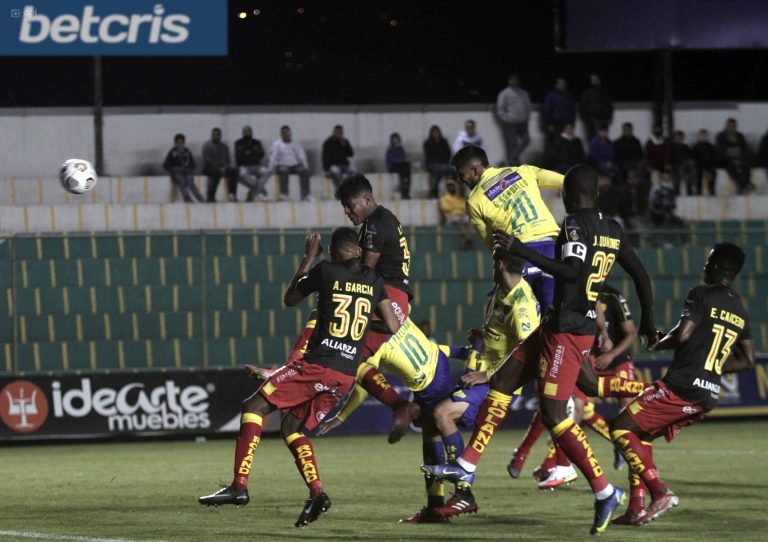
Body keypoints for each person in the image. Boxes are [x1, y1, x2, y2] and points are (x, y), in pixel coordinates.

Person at [423, 164, 658, 535]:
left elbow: (570, 272)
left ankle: (604, 490)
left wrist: (521, 250)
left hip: (568, 330)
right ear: (596, 194)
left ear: (565, 196)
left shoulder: (572, 227)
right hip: (557, 324)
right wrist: (648, 320)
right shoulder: (613, 229)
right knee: (503, 379)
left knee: (554, 414)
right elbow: (641, 274)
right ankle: (466, 466)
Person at [198, 227, 401, 528]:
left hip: (319, 365)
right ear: (358, 251)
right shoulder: (374, 281)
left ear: (332, 251)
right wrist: (355, 337)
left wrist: (307, 259)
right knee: (292, 428)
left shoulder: (327, 270)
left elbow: (290, 298)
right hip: (345, 374)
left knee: (253, 407)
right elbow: (393, 326)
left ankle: (239, 487)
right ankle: (317, 493)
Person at [610, 243, 754, 526]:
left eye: (708, 260)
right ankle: (635, 508)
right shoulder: (740, 308)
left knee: (621, 426)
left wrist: (658, 343)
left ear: (715, 267)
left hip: (683, 385)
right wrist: (711, 366)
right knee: (643, 435)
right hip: (708, 393)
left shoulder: (701, 294)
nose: (704, 266)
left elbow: (684, 334)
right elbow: (748, 359)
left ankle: (659, 492)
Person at [317, 317, 470, 523]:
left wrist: (342, 416)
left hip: (427, 382)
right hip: (437, 363)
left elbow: (365, 383)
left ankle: (457, 495)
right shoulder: (395, 316)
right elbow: (431, 346)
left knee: (433, 434)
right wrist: (459, 351)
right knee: (430, 433)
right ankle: (437, 506)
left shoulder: (371, 342)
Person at [430, 250, 540, 517]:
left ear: (500, 264)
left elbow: (528, 354)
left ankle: (463, 491)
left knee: (441, 414)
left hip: (499, 381)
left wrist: (487, 375)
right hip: (487, 374)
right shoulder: (503, 290)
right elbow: (503, 336)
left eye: (493, 262)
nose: (491, 267)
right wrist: (484, 336)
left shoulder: (521, 306)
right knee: (435, 420)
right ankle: (455, 493)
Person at [507, 283, 640, 487]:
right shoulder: (571, 288)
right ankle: (558, 465)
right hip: (585, 357)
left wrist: (608, 344)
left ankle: (639, 463)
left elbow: (629, 331)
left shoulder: (611, 296)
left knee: (627, 416)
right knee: (569, 408)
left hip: (616, 360)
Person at [335, 173, 420, 441]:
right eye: (345, 208)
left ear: (367, 198)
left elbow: (364, 270)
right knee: (354, 355)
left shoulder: (374, 225)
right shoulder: (385, 219)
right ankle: (405, 406)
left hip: (388, 297)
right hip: (394, 297)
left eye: (351, 205)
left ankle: (401, 406)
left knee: (348, 353)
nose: (348, 212)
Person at [451, 144, 563, 308]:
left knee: (518, 319)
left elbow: (492, 244)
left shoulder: (475, 201)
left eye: (462, 175)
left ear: (474, 171)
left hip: (517, 257)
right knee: (553, 311)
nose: (461, 180)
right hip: (551, 250)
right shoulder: (523, 171)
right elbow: (566, 181)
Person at [268, 125, 312, 201]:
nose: (286, 135)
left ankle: (305, 195)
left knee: (304, 171)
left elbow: (301, 155)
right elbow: (273, 157)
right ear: (281, 134)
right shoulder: (277, 144)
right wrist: (270, 169)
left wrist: (306, 166)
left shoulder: (295, 143)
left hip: (294, 165)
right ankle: (284, 194)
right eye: (284, 133)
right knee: (284, 171)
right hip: (282, 165)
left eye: (288, 133)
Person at [495, 74, 532, 166]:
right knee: (512, 144)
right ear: (509, 81)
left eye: (516, 80)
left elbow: (528, 106)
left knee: (526, 140)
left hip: (523, 121)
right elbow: (500, 108)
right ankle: (514, 164)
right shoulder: (504, 93)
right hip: (511, 123)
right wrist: (506, 119)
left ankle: (512, 158)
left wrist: (526, 116)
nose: (514, 82)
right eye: (512, 80)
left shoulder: (523, 93)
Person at [162, 133, 204, 203]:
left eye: (181, 143)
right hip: (176, 172)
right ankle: (187, 199)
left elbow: (192, 163)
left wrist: (190, 169)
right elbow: (166, 165)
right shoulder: (172, 152)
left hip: (187, 172)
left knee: (191, 182)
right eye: (178, 143)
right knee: (182, 182)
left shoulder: (187, 152)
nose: (180, 144)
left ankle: (200, 198)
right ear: (175, 143)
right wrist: (172, 168)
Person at [716, 118, 753, 194]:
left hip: (740, 159)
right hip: (726, 160)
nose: (732, 127)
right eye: (730, 126)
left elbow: (744, 149)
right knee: (731, 167)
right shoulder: (721, 136)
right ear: (727, 126)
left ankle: (743, 185)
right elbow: (721, 150)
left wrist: (739, 158)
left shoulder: (740, 136)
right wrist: (731, 157)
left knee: (746, 166)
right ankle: (744, 185)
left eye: (733, 126)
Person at [541, 77, 577, 156]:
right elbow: (547, 110)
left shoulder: (569, 96)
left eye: (563, 83)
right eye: (560, 83)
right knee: (552, 144)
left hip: (566, 125)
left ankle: (562, 163)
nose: (562, 85)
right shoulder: (551, 95)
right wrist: (549, 124)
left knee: (565, 144)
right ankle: (550, 164)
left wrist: (571, 123)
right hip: (555, 125)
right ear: (556, 85)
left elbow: (572, 111)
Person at [202, 127, 238, 202]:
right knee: (216, 173)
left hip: (222, 167)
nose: (216, 136)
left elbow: (227, 160)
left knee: (234, 171)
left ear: (220, 135)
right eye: (214, 134)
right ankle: (211, 196)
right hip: (210, 167)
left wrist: (225, 168)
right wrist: (219, 169)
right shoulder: (207, 146)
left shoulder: (224, 147)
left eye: (217, 134)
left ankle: (232, 194)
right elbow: (208, 161)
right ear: (211, 135)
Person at [235, 125, 270, 202]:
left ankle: (253, 193)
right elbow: (239, 156)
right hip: (244, 166)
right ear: (242, 133)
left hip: (256, 165)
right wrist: (252, 153)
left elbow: (261, 154)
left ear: (252, 132)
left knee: (266, 172)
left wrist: (249, 153)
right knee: (242, 174)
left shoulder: (256, 142)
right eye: (245, 131)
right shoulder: (238, 143)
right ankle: (259, 189)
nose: (247, 133)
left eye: (249, 131)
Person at [438, 180, 474, 250]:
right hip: (451, 216)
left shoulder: (460, 198)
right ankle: (468, 239)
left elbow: (464, 208)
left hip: (462, 215)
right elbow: (447, 208)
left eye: (452, 186)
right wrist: (458, 212)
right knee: (461, 221)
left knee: (470, 221)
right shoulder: (444, 198)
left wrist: (460, 212)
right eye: (449, 187)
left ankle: (468, 238)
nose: (451, 188)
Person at [580, 74, 614, 141]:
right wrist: (586, 119)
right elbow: (582, 107)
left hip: (602, 120)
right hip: (591, 121)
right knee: (592, 140)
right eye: (593, 80)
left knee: (602, 139)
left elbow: (609, 106)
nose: (594, 81)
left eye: (596, 79)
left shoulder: (605, 92)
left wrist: (609, 117)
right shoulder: (587, 92)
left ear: (599, 81)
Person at [424, 125, 454, 198]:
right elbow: (428, 156)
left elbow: (448, 153)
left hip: (444, 164)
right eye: (434, 133)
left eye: (437, 132)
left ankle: (455, 190)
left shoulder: (444, 142)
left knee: (454, 170)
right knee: (439, 171)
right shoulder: (428, 143)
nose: (436, 134)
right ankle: (434, 191)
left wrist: (445, 162)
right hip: (433, 164)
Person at [691, 129, 718, 195]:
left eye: (705, 136)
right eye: (702, 136)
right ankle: (698, 192)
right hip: (698, 166)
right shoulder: (695, 147)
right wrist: (704, 170)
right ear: (699, 136)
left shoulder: (711, 147)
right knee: (697, 173)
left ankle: (711, 191)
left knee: (713, 173)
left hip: (709, 167)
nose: (703, 137)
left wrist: (710, 170)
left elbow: (714, 158)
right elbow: (693, 159)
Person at [385, 133, 412, 199]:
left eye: (397, 139)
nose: (396, 140)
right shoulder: (390, 149)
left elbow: (403, 157)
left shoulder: (401, 148)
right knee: (405, 168)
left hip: (401, 166)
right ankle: (404, 191)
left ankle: (405, 190)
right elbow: (391, 160)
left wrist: (401, 161)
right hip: (393, 166)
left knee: (407, 167)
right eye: (394, 139)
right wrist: (399, 160)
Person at [670, 130, 697, 195]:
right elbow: (669, 158)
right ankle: (677, 193)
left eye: (680, 137)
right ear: (675, 138)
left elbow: (690, 157)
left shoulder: (686, 147)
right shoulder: (671, 147)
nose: (679, 138)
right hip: (675, 166)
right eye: (678, 137)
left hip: (686, 166)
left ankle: (690, 191)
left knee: (691, 170)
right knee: (679, 173)